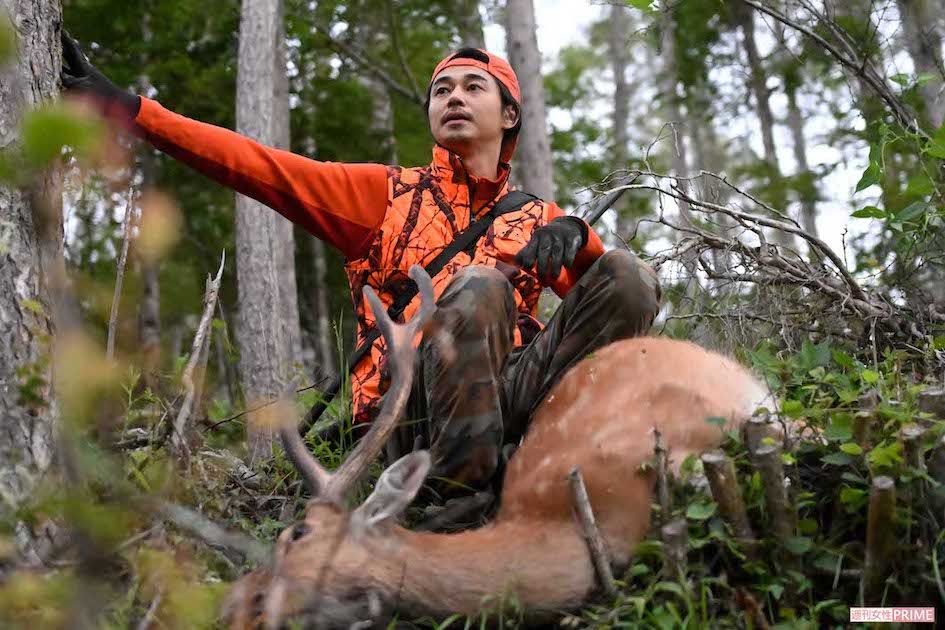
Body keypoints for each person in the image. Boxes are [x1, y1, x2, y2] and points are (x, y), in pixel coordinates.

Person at [61, 34, 661, 501]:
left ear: (509, 115)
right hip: (411, 419)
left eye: (473, 86)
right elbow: (256, 164)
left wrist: (578, 237)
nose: (453, 97)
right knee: (480, 286)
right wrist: (130, 110)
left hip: (515, 404)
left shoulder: (537, 216)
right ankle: (457, 499)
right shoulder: (384, 196)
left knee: (630, 274)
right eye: (441, 90)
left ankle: (572, 459)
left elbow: (610, 304)